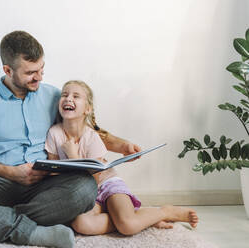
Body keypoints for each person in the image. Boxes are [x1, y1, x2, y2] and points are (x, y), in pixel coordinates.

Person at [0, 31, 140, 248]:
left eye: (41, 70)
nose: (39, 77)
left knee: (84, 187)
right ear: (8, 70)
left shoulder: (54, 96)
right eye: (30, 72)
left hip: (42, 187)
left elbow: (86, 128)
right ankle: (27, 232)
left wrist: (122, 146)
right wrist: (12, 173)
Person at [45, 80, 199, 236]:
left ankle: (165, 212)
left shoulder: (92, 137)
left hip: (105, 184)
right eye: (64, 94)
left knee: (128, 227)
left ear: (87, 109)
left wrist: (73, 156)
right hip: (84, 195)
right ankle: (140, 217)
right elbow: (52, 173)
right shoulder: (54, 133)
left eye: (76, 96)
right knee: (81, 224)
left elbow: (93, 182)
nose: (68, 98)